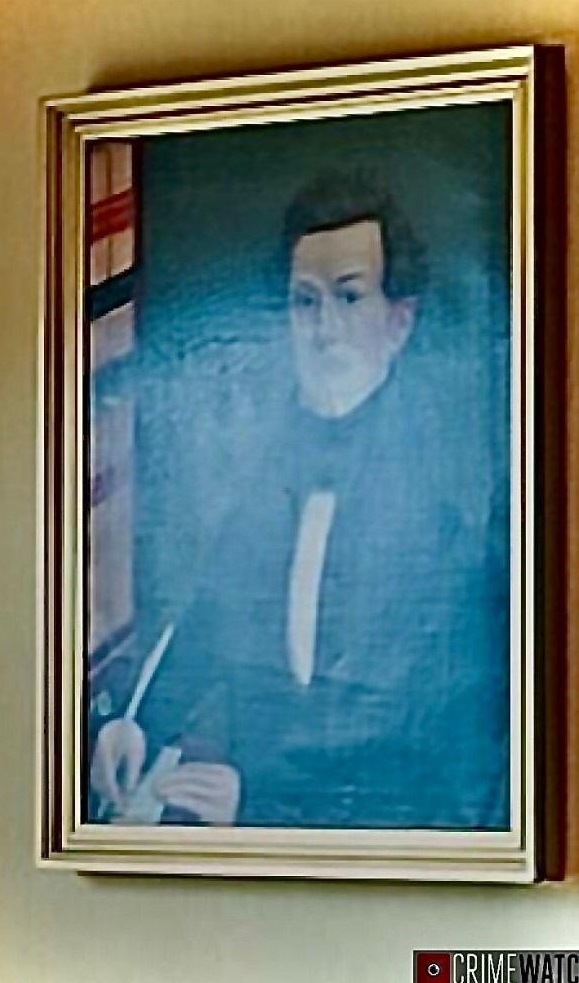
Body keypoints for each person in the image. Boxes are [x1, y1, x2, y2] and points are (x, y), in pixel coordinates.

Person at [90, 168, 510, 830]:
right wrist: (136, 723)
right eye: (303, 302)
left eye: (349, 298)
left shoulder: (449, 518)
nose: (323, 329)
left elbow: (451, 779)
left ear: (399, 321)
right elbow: (203, 625)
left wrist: (262, 806)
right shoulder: (266, 480)